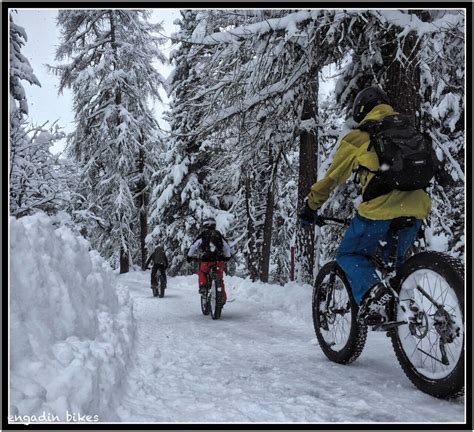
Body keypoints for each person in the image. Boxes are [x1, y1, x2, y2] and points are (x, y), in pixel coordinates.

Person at [299, 86, 432, 325]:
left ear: (361, 110)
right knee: (395, 267)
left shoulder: (360, 136)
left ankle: (374, 297)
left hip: (380, 210)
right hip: (417, 208)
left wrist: (311, 206)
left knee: (349, 254)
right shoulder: (409, 131)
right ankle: (408, 314)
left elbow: (331, 179)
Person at [186, 217, 232, 304]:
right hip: (219, 261)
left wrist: (189, 256)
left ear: (205, 225)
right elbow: (226, 247)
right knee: (220, 279)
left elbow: (193, 246)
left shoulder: (203, 235)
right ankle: (222, 298)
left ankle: (203, 287)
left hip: (206, 261)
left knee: (202, 272)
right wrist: (227, 257)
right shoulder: (219, 234)